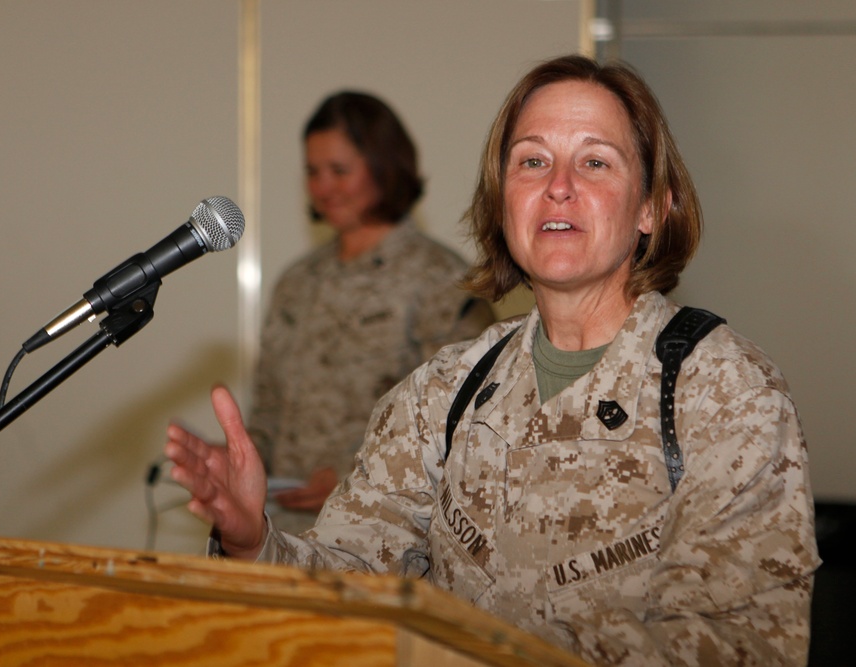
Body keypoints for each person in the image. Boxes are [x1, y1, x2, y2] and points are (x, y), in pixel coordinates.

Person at [164, 55, 820, 665]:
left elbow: (746, 641)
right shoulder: (443, 391)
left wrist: (497, 646)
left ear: (651, 205)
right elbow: (351, 579)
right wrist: (256, 540)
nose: (558, 187)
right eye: (532, 162)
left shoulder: (724, 390)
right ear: (502, 202)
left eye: (595, 163)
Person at [247, 91, 495, 532]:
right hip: (279, 536)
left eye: (339, 170)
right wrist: (241, 464)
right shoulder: (297, 282)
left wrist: (355, 473)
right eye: (312, 172)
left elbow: (465, 421)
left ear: (383, 167)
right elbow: (268, 404)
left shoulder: (440, 278)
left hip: (383, 536)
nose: (324, 187)